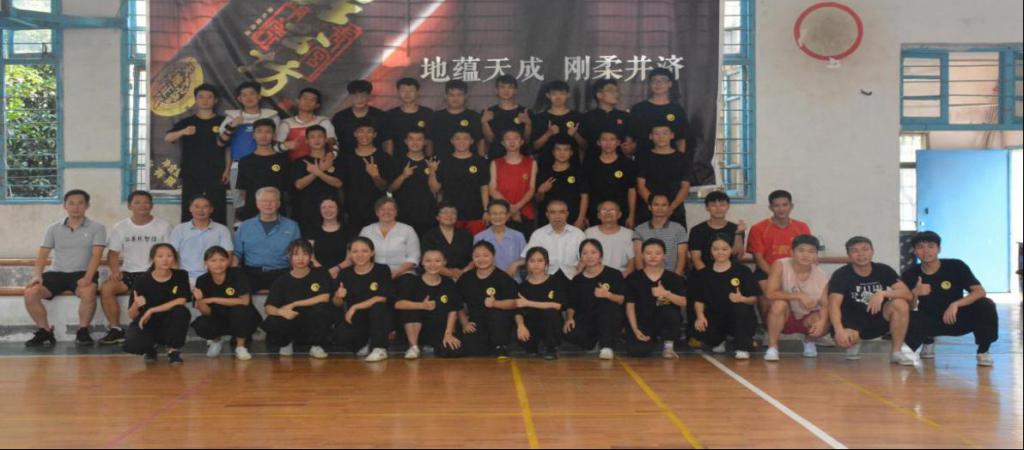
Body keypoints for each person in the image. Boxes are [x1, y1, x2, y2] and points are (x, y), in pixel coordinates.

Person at [23, 190, 106, 348]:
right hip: (57, 273)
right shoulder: (53, 228)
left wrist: (88, 278)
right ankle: (45, 331)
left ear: (87, 206)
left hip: (82, 272)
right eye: (71, 203)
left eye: (80, 203)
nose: (76, 207)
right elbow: (43, 253)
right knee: (30, 293)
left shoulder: (97, 227)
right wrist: (37, 275)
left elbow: (97, 255)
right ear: (65, 206)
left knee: (89, 291)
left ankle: (83, 331)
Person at [902, 231, 998, 366]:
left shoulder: (956, 266)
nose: (926, 251)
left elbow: (979, 291)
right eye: (920, 247)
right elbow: (910, 307)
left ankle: (983, 351)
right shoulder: (910, 274)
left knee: (986, 304)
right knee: (903, 312)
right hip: (930, 320)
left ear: (939, 249)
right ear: (915, 251)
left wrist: (956, 304)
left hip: (955, 317)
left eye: (931, 246)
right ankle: (927, 342)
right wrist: (915, 294)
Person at [98, 191, 172, 346]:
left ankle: (157, 333)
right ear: (129, 206)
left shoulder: (164, 226)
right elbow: (113, 253)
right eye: (137, 202)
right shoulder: (121, 227)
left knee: (155, 294)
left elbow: (171, 253)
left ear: (152, 205)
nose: (142, 206)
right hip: (130, 273)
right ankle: (116, 329)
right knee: (106, 288)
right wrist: (115, 271)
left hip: (155, 272)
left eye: (146, 202)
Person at [828, 236, 917, 365]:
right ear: (849, 255)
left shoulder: (883, 270)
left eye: (865, 249)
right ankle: (854, 342)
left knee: (900, 303)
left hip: (876, 321)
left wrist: (883, 293)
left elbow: (907, 294)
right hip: (851, 323)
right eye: (855, 251)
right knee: (847, 338)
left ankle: (896, 353)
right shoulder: (841, 274)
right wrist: (839, 331)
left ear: (872, 251)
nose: (861, 254)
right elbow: (833, 305)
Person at [165, 83, 229, 223]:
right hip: (191, 172)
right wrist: (183, 131)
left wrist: (227, 169)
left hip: (216, 171)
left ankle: (219, 237)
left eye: (209, 97)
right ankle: (187, 236)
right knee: (189, 208)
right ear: (196, 99)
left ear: (216, 100)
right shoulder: (187, 122)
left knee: (217, 207)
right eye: (201, 97)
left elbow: (229, 148)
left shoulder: (223, 122)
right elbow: (168, 138)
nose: (205, 100)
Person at [260, 239, 335, 359]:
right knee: (273, 319)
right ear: (289, 257)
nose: (300, 258)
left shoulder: (320, 273)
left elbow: (325, 297)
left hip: (311, 321)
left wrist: (294, 303)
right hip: (291, 320)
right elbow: (268, 307)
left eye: (305, 254)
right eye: (296, 254)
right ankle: (286, 343)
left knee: (323, 309)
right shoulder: (281, 280)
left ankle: (316, 345)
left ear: (310, 257)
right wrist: (281, 312)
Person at [691, 234, 760, 360]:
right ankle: (719, 341)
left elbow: (754, 298)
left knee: (741, 309)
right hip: (716, 317)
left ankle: (742, 347)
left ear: (731, 250)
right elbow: (699, 299)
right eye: (716, 249)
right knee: (701, 330)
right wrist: (700, 316)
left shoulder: (743, 271)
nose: (720, 252)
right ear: (710, 250)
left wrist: (742, 299)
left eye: (724, 249)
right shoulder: (704, 274)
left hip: (737, 317)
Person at [763, 235, 831, 361]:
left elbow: (825, 305)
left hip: (807, 316)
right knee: (779, 304)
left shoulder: (822, 276)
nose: (806, 255)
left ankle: (809, 341)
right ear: (792, 252)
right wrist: (799, 295)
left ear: (816, 255)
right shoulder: (780, 265)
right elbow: (770, 293)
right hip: (785, 315)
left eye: (811, 251)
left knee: (824, 318)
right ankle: (773, 347)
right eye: (801, 250)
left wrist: (822, 323)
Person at [747, 190, 812, 320]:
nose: (781, 209)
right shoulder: (758, 228)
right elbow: (759, 259)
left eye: (785, 205)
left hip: (796, 271)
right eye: (776, 205)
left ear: (791, 206)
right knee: (768, 295)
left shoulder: (802, 227)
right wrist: (777, 277)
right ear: (770, 207)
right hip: (767, 272)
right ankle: (767, 325)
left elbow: (808, 253)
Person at [122, 244, 191, 365]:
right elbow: (131, 315)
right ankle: (150, 347)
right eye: (160, 256)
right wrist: (136, 305)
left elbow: (181, 300)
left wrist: (151, 310)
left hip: (170, 321)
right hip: (149, 322)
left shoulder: (181, 275)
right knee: (133, 344)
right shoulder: (141, 280)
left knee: (181, 311)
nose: (165, 259)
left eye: (169, 256)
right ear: (153, 258)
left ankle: (173, 350)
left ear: (174, 258)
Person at [190, 246, 262, 361]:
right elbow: (207, 312)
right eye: (213, 260)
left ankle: (240, 347)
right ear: (205, 263)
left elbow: (244, 301)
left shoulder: (238, 273)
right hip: (218, 317)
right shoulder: (202, 280)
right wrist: (199, 300)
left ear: (228, 261)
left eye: (222, 260)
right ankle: (216, 342)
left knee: (241, 311)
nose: (218, 264)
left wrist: (214, 299)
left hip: (240, 317)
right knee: (201, 323)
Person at [332, 237, 395, 362]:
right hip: (357, 318)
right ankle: (365, 343)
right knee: (341, 336)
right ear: (350, 254)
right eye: (355, 251)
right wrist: (338, 296)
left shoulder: (382, 270)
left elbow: (382, 298)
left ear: (372, 253)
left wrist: (355, 307)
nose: (359, 255)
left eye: (364, 251)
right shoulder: (344, 273)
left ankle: (379, 348)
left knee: (378, 307)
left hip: (378, 316)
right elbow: (336, 303)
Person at [393, 249, 464, 359]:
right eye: (428, 261)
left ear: (444, 262)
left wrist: (449, 334)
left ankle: (431, 347)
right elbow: (398, 304)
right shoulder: (412, 281)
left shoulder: (449, 283)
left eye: (437, 261)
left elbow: (453, 310)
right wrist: (421, 305)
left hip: (438, 329)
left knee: (453, 350)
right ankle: (413, 347)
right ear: (422, 262)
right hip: (416, 329)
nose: (432, 265)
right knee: (411, 309)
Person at [457, 241, 520, 359]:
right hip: (476, 322)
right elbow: (457, 303)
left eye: (486, 255)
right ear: (472, 258)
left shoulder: (503, 277)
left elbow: (514, 303)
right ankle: (488, 345)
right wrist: (464, 322)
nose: (481, 259)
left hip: (498, 322)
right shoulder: (466, 278)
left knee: (496, 314)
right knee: (472, 349)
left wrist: (496, 303)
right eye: (477, 256)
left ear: (493, 257)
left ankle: (500, 346)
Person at [625, 238, 687, 359]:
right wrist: (635, 329)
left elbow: (683, 302)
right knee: (637, 352)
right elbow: (630, 306)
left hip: (663, 320)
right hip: (642, 321)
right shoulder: (633, 278)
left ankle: (668, 346)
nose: (653, 256)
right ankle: (651, 340)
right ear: (642, 255)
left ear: (664, 256)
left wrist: (665, 293)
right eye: (648, 253)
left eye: (658, 253)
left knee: (671, 313)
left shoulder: (673, 278)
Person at [233, 187, 302, 291]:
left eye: (272, 201)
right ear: (257, 204)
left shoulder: (292, 226)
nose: (268, 204)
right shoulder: (245, 226)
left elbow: (297, 254)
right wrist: (233, 274)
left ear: (278, 204)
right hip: (250, 274)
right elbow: (236, 254)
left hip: (282, 273)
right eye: (264, 201)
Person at [567, 239, 626, 360]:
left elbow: (621, 299)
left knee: (608, 306)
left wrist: (608, 295)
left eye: (593, 252)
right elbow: (572, 304)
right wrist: (569, 318)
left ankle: (607, 346)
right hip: (587, 319)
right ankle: (594, 342)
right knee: (571, 333)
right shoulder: (577, 279)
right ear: (580, 257)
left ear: (600, 255)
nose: (589, 256)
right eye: (585, 253)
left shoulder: (614, 274)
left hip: (608, 318)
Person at [339, 118, 395, 233]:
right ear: (355, 134)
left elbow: (384, 187)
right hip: (352, 212)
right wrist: (342, 209)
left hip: (377, 212)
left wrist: (375, 175)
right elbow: (340, 186)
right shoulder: (345, 158)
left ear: (375, 134)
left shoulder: (384, 157)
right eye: (361, 131)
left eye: (369, 131)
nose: (365, 135)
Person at [429, 129, 490, 235]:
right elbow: (435, 189)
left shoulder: (480, 161)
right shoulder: (443, 161)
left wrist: (486, 211)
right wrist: (432, 171)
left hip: (475, 213)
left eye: (466, 139)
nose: (461, 142)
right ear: (452, 141)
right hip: (450, 215)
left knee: (477, 243)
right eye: (457, 138)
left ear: (472, 141)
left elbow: (484, 188)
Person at [512, 200, 586, 279]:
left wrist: (582, 264)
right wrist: (515, 264)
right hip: (545, 278)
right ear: (547, 215)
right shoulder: (538, 234)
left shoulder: (578, 234)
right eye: (553, 212)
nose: (557, 216)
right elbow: (529, 257)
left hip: (572, 277)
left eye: (561, 212)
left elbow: (585, 258)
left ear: (567, 214)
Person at [169, 195, 234, 284]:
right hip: (184, 277)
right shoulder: (179, 229)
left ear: (211, 209)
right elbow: (172, 254)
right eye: (196, 206)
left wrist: (218, 277)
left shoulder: (222, 229)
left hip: (212, 277)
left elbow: (228, 255)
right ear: (190, 209)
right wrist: (177, 277)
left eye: (205, 207)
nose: (200, 210)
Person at [636, 123, 691, 227]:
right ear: (650, 136)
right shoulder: (643, 157)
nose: (661, 137)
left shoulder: (682, 158)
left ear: (672, 135)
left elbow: (685, 187)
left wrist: (670, 208)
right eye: (657, 134)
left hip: (674, 209)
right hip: (648, 209)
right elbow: (640, 185)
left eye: (665, 133)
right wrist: (655, 207)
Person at [514, 247, 566, 360]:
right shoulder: (522, 287)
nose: (536, 264)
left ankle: (551, 348)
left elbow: (557, 305)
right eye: (532, 261)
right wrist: (520, 326)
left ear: (546, 263)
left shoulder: (556, 281)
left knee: (550, 313)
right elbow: (518, 311)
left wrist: (528, 302)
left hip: (550, 325)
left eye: (540, 260)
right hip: (532, 326)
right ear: (527, 264)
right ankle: (531, 347)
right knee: (518, 323)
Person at [290, 124, 341, 235]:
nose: (316, 140)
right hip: (306, 209)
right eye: (312, 137)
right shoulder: (300, 162)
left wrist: (319, 172)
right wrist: (318, 171)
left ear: (326, 139)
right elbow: (299, 185)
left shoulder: (334, 160)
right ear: (307, 141)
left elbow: (338, 183)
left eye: (320, 136)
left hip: (330, 210)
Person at [235, 118, 290, 222]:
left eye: (268, 132)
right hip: (251, 212)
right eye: (259, 131)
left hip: (277, 212)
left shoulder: (283, 160)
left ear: (274, 135)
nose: (263, 135)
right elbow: (242, 190)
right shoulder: (245, 161)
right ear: (253, 135)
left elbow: (287, 190)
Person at [628, 67, 688, 156]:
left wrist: (681, 159)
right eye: (654, 81)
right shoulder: (639, 109)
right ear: (649, 84)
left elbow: (681, 139)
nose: (658, 84)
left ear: (670, 84)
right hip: (643, 159)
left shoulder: (677, 110)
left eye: (662, 80)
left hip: (670, 159)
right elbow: (630, 137)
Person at [583, 130, 637, 227]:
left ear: (618, 142)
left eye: (612, 139)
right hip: (595, 213)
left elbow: (632, 190)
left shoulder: (627, 164)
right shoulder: (590, 164)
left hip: (621, 212)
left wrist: (631, 215)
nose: (608, 143)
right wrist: (584, 215)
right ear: (598, 142)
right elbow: (585, 193)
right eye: (604, 139)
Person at [489, 129, 537, 234]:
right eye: (508, 139)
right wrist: (510, 208)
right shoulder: (495, 163)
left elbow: (532, 189)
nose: (512, 141)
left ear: (521, 142)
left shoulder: (531, 162)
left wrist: (517, 207)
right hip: (501, 213)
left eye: (515, 138)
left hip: (525, 213)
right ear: (503, 143)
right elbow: (492, 189)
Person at [389, 129, 437, 235]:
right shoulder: (396, 161)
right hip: (403, 214)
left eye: (419, 139)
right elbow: (389, 189)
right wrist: (403, 176)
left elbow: (436, 190)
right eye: (411, 139)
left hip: (427, 214)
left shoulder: (432, 162)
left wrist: (432, 172)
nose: (415, 143)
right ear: (406, 141)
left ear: (425, 142)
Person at [359, 197, 420, 279]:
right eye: (382, 209)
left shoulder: (408, 230)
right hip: (373, 272)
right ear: (377, 212)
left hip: (403, 273)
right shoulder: (366, 230)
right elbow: (360, 254)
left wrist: (395, 273)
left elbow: (414, 257)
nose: (386, 212)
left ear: (396, 212)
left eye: (390, 209)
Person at [218, 81, 280, 162]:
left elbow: (277, 142)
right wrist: (231, 127)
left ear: (259, 96)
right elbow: (221, 143)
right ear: (239, 99)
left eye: (252, 94)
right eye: (244, 95)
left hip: (266, 162)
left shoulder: (271, 116)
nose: (248, 98)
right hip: (238, 163)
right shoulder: (232, 117)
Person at [535, 136, 589, 229]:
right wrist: (540, 191)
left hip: (572, 221)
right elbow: (537, 200)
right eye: (558, 149)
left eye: (566, 150)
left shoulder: (578, 172)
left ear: (571, 153)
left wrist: (580, 219)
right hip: (547, 222)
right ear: (553, 152)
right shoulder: (544, 172)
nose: (562, 153)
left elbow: (584, 197)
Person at [632, 193, 688, 276]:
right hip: (646, 276)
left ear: (669, 207)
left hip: (672, 275)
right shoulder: (639, 229)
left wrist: (675, 278)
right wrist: (644, 279)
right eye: (656, 205)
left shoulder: (679, 229)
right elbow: (638, 258)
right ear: (649, 207)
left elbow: (682, 257)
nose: (660, 208)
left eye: (664, 205)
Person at [531, 80, 585, 164]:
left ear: (568, 95)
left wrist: (575, 134)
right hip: (546, 165)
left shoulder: (577, 117)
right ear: (548, 95)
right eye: (554, 94)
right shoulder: (540, 118)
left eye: (562, 94)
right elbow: (535, 147)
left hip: (572, 166)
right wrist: (548, 133)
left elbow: (585, 146)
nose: (558, 97)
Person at [688, 191, 745, 271]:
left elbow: (738, 256)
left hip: (730, 272)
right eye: (713, 205)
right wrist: (711, 276)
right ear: (707, 208)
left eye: (722, 205)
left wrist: (739, 233)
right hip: (704, 273)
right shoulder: (697, 230)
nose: (718, 209)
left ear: (728, 206)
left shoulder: (736, 228)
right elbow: (696, 259)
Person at [277, 87, 337, 161]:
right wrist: (285, 146)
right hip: (295, 165)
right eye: (304, 98)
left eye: (312, 100)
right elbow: (274, 147)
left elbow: (334, 143)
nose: (307, 102)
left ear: (317, 105)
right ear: (297, 101)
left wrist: (330, 157)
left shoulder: (323, 121)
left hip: (321, 163)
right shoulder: (286, 123)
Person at [481, 75, 532, 159]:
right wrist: (484, 123)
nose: (506, 90)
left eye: (510, 87)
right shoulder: (488, 112)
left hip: (520, 158)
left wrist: (528, 124)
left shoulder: (525, 112)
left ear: (516, 91)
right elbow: (490, 140)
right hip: (496, 157)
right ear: (496, 90)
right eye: (502, 87)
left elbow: (527, 140)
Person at [581, 79, 634, 159]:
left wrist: (629, 148)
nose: (615, 94)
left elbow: (629, 143)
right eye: (611, 91)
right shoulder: (587, 117)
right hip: (593, 162)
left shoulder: (625, 116)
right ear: (599, 95)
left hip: (620, 162)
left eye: (617, 91)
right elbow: (583, 145)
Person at [430, 80, 485, 157]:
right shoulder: (436, 116)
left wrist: (481, 160)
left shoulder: (474, 116)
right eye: (452, 95)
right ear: (445, 96)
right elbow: (430, 141)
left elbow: (480, 140)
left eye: (459, 95)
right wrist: (430, 158)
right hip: (441, 161)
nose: (455, 98)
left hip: (469, 162)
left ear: (465, 96)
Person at [421, 202, 474, 280]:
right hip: (437, 275)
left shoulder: (466, 235)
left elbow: (474, 258)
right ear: (437, 217)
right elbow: (427, 261)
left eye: (453, 213)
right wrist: (451, 274)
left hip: (464, 275)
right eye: (445, 212)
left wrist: (463, 272)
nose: (449, 215)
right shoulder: (429, 236)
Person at [474, 200, 528, 277]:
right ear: (488, 215)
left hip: (513, 280)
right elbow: (476, 261)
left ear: (508, 215)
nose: (498, 217)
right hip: (488, 280)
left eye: (501, 213)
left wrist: (516, 264)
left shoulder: (518, 236)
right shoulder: (479, 237)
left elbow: (527, 258)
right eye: (494, 213)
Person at [331, 79, 386, 153]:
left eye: (363, 96)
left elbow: (387, 141)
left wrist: (388, 158)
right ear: (350, 97)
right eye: (355, 96)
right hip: (346, 158)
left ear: (369, 96)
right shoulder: (339, 117)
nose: (359, 100)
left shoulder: (380, 116)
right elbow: (333, 141)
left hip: (376, 157)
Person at [384, 77, 434, 158]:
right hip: (398, 160)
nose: (407, 94)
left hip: (421, 160)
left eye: (411, 91)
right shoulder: (390, 115)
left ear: (417, 92)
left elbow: (429, 141)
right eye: (403, 90)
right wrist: (388, 161)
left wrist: (429, 160)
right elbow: (389, 142)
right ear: (398, 92)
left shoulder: (427, 113)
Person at [585, 200, 635, 275]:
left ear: (619, 214)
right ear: (598, 215)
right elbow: (583, 259)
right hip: (594, 275)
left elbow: (632, 260)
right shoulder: (589, 233)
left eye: (612, 210)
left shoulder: (629, 234)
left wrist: (622, 278)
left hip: (621, 275)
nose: (608, 213)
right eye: (604, 210)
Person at [308, 197, 348, 279]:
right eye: (324, 207)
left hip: (344, 274)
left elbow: (351, 258)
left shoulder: (348, 230)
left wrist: (335, 269)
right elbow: (310, 256)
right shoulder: (312, 230)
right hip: (318, 275)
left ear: (338, 209)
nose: (327, 210)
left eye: (331, 207)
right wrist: (324, 272)